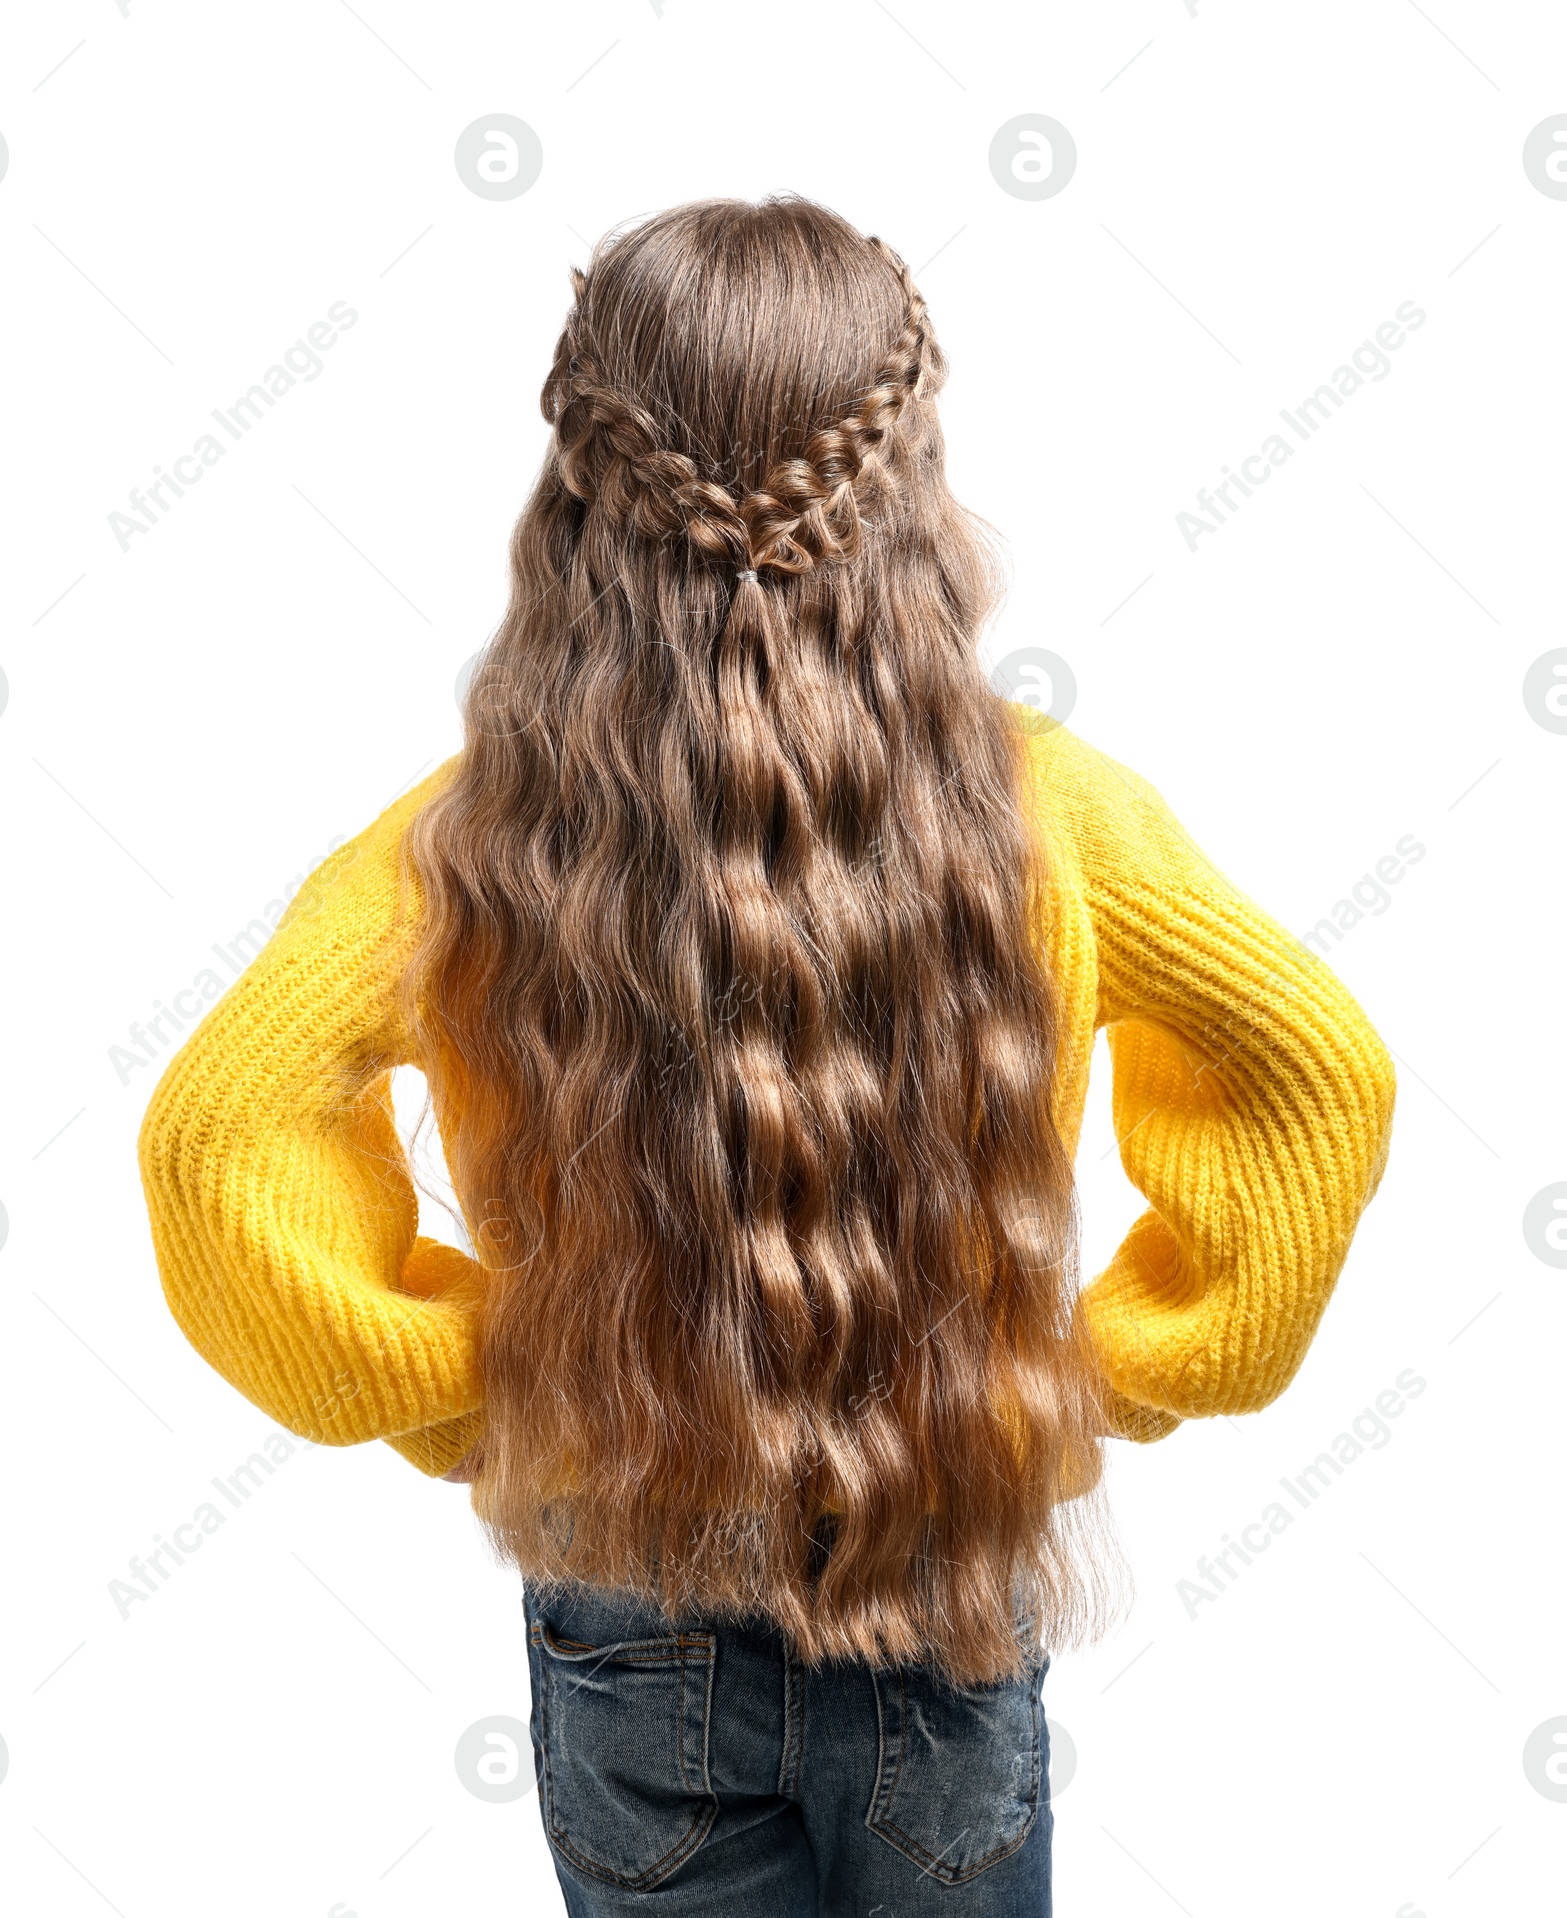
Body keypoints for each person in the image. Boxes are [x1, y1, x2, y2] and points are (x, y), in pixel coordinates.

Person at [137, 195, 1396, 1916]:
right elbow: (1317, 1068)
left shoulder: (471, 845)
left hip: (631, 1606)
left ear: (578, 502)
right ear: (908, 491)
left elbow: (220, 1135)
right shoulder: (1058, 817)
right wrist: (1116, 1364)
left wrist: (486, 1387)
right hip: (946, 1584)